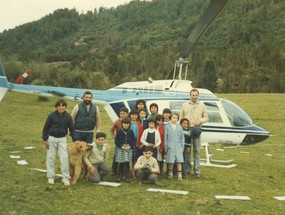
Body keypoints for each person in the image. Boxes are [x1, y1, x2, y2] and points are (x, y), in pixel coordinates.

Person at [42, 99, 75, 186]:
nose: (61, 107)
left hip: (62, 139)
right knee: (51, 157)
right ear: (56, 107)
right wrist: (45, 139)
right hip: (52, 138)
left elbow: (72, 129)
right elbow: (45, 128)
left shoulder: (68, 116)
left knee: (64, 158)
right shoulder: (51, 116)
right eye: (59, 106)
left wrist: (74, 140)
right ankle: (51, 176)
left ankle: (65, 177)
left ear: (65, 106)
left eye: (63, 106)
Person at [179, 88, 208, 177]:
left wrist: (200, 120)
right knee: (187, 150)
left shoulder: (202, 105)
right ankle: (187, 169)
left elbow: (206, 117)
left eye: (196, 95)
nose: (194, 97)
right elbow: (181, 117)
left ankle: (197, 171)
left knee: (197, 150)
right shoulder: (184, 105)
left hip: (196, 129)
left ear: (198, 96)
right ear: (190, 95)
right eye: (193, 95)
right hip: (186, 129)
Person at [164, 113, 185, 180]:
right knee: (170, 161)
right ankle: (170, 174)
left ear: (178, 119)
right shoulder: (167, 127)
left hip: (178, 147)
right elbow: (165, 138)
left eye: (176, 118)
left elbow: (182, 138)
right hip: (170, 147)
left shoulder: (179, 127)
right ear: (171, 118)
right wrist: (166, 147)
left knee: (179, 161)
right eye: (173, 118)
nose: (174, 119)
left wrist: (182, 147)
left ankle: (179, 175)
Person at [115, 117, 135, 182]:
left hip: (128, 149)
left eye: (127, 123)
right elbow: (116, 141)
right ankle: (120, 175)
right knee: (121, 163)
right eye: (124, 123)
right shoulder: (119, 132)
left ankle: (127, 176)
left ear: (129, 124)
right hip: (121, 148)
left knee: (127, 163)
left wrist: (130, 146)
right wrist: (121, 146)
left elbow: (133, 140)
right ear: (122, 124)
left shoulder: (131, 132)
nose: (126, 125)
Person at [109, 107, 129, 175]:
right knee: (116, 155)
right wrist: (114, 136)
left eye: (124, 113)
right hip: (118, 142)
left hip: (126, 142)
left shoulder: (129, 122)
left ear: (127, 114)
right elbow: (111, 129)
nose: (122, 115)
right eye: (121, 113)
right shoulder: (117, 121)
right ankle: (114, 170)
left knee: (125, 156)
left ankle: (124, 170)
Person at [129, 109, 143, 179]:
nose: (134, 116)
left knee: (135, 159)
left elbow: (141, 134)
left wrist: (140, 143)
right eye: (132, 115)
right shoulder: (128, 123)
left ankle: (134, 172)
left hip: (137, 143)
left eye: (135, 115)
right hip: (129, 143)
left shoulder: (139, 124)